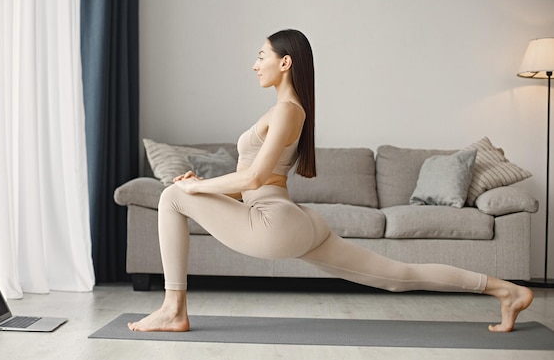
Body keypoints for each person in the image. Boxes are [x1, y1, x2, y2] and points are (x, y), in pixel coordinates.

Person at [127, 29, 533, 333]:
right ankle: (505, 291)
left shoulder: (288, 110)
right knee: (397, 277)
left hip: (273, 223)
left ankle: (174, 310)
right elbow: (250, 182)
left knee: (169, 198)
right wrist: (198, 185)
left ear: (285, 62)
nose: (255, 64)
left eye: (260, 56)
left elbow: (251, 177)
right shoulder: (288, 110)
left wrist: (192, 188)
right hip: (292, 220)